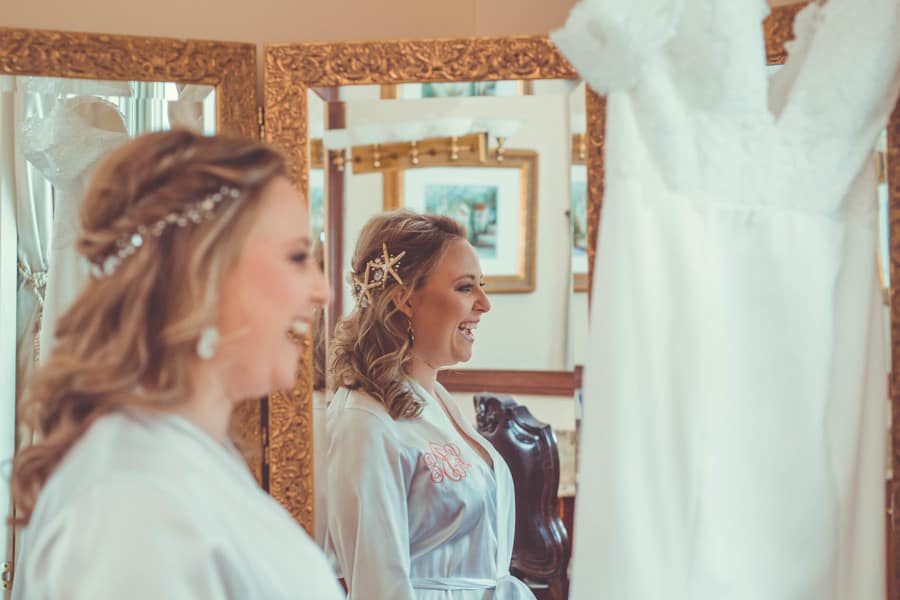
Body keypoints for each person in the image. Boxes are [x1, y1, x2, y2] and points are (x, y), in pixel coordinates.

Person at [10, 129, 344, 599]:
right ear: (201, 274)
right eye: (297, 256)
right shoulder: (131, 503)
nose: (323, 291)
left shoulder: (190, 456)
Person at [325, 210, 536, 599]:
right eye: (465, 287)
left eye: (481, 286)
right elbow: (377, 584)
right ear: (405, 299)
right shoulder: (364, 420)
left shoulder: (434, 398)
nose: (484, 304)